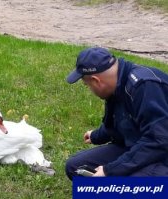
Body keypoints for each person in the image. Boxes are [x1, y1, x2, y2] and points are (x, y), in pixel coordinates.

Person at [65, 47, 168, 179]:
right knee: (75, 167)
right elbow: (122, 122)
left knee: (125, 186)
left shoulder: (144, 86)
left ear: (96, 81)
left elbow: (159, 140)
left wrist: (110, 170)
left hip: (161, 154)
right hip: (140, 147)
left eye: (87, 85)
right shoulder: (117, 85)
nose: (89, 89)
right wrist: (97, 135)